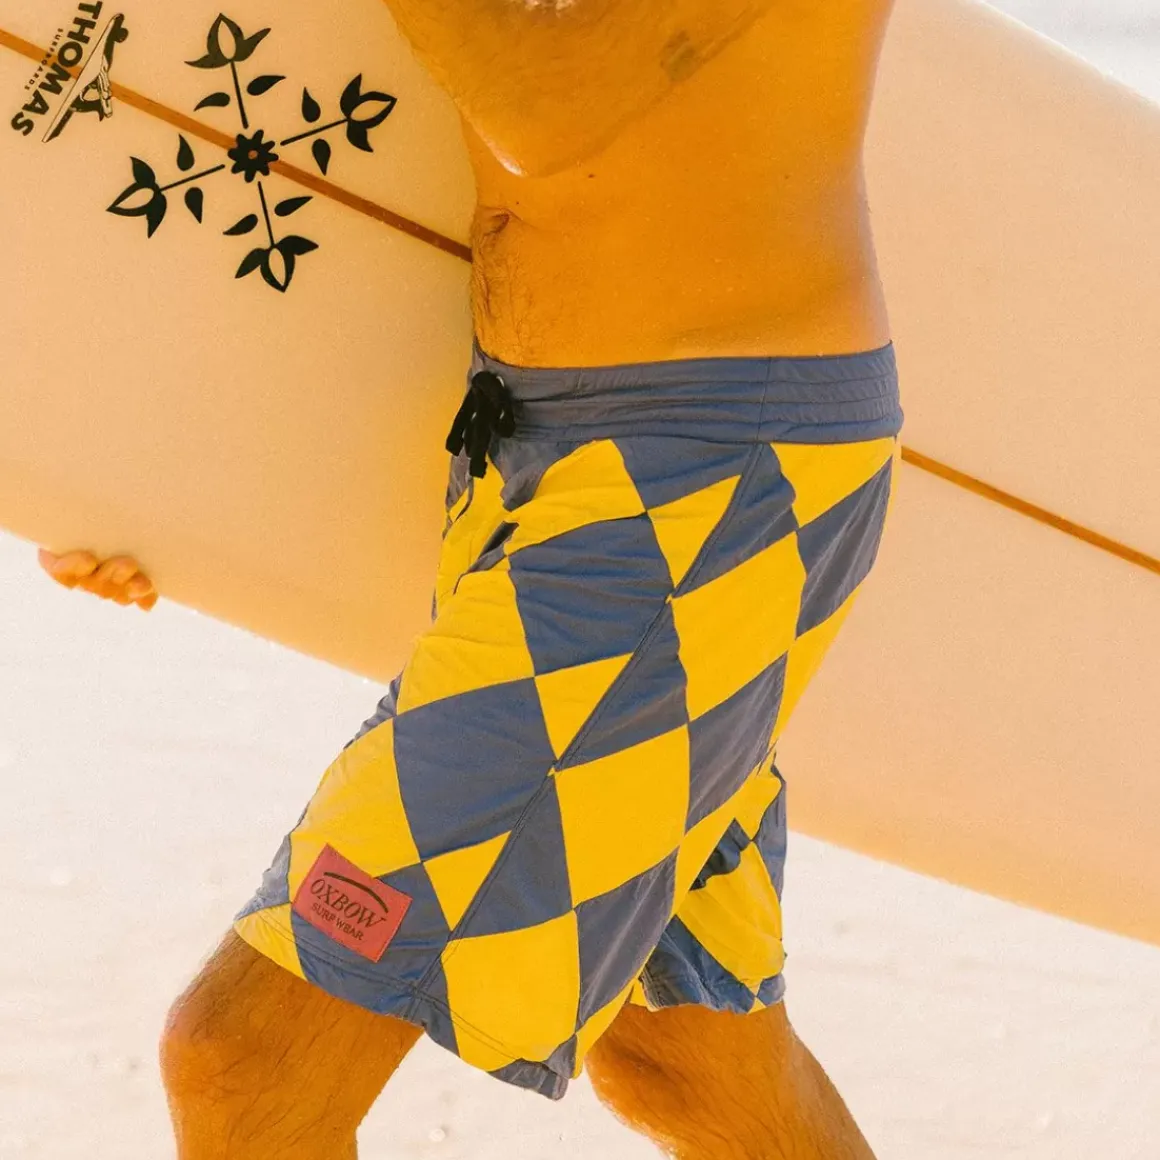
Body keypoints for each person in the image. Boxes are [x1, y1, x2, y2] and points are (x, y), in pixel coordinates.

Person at [40, 0, 903, 1155]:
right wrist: (110, 471)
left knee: (246, 1061)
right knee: (684, 1054)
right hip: (541, 446)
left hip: (691, 487)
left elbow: (550, 104)